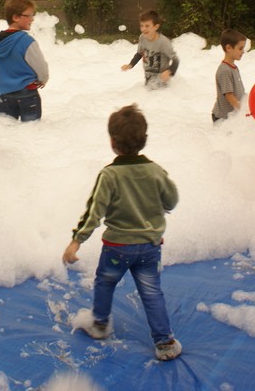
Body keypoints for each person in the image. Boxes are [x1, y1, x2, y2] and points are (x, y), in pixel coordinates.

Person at [62, 104, 182, 361]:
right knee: (152, 292)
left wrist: (76, 241)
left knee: (105, 283)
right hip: (150, 246)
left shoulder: (109, 175)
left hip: (117, 247)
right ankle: (165, 342)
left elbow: (94, 211)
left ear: (112, 142)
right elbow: (171, 200)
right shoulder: (155, 171)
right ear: (145, 140)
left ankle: (100, 324)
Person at [0, 0, 49, 122]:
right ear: (16, 17)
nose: (32, 19)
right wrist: (43, 79)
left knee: (9, 132)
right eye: (28, 15)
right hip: (27, 93)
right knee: (31, 132)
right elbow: (40, 65)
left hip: (5, 95)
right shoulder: (26, 41)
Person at [121, 10, 179, 88]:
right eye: (142, 25)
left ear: (156, 27)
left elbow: (176, 60)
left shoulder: (163, 42)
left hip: (163, 84)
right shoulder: (142, 37)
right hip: (149, 79)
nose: (143, 29)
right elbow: (139, 53)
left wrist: (169, 71)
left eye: (147, 26)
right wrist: (130, 65)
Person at [212, 29, 247, 123]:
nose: (243, 52)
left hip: (231, 116)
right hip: (222, 118)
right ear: (228, 48)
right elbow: (229, 96)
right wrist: (243, 111)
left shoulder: (233, 67)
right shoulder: (225, 70)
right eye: (240, 48)